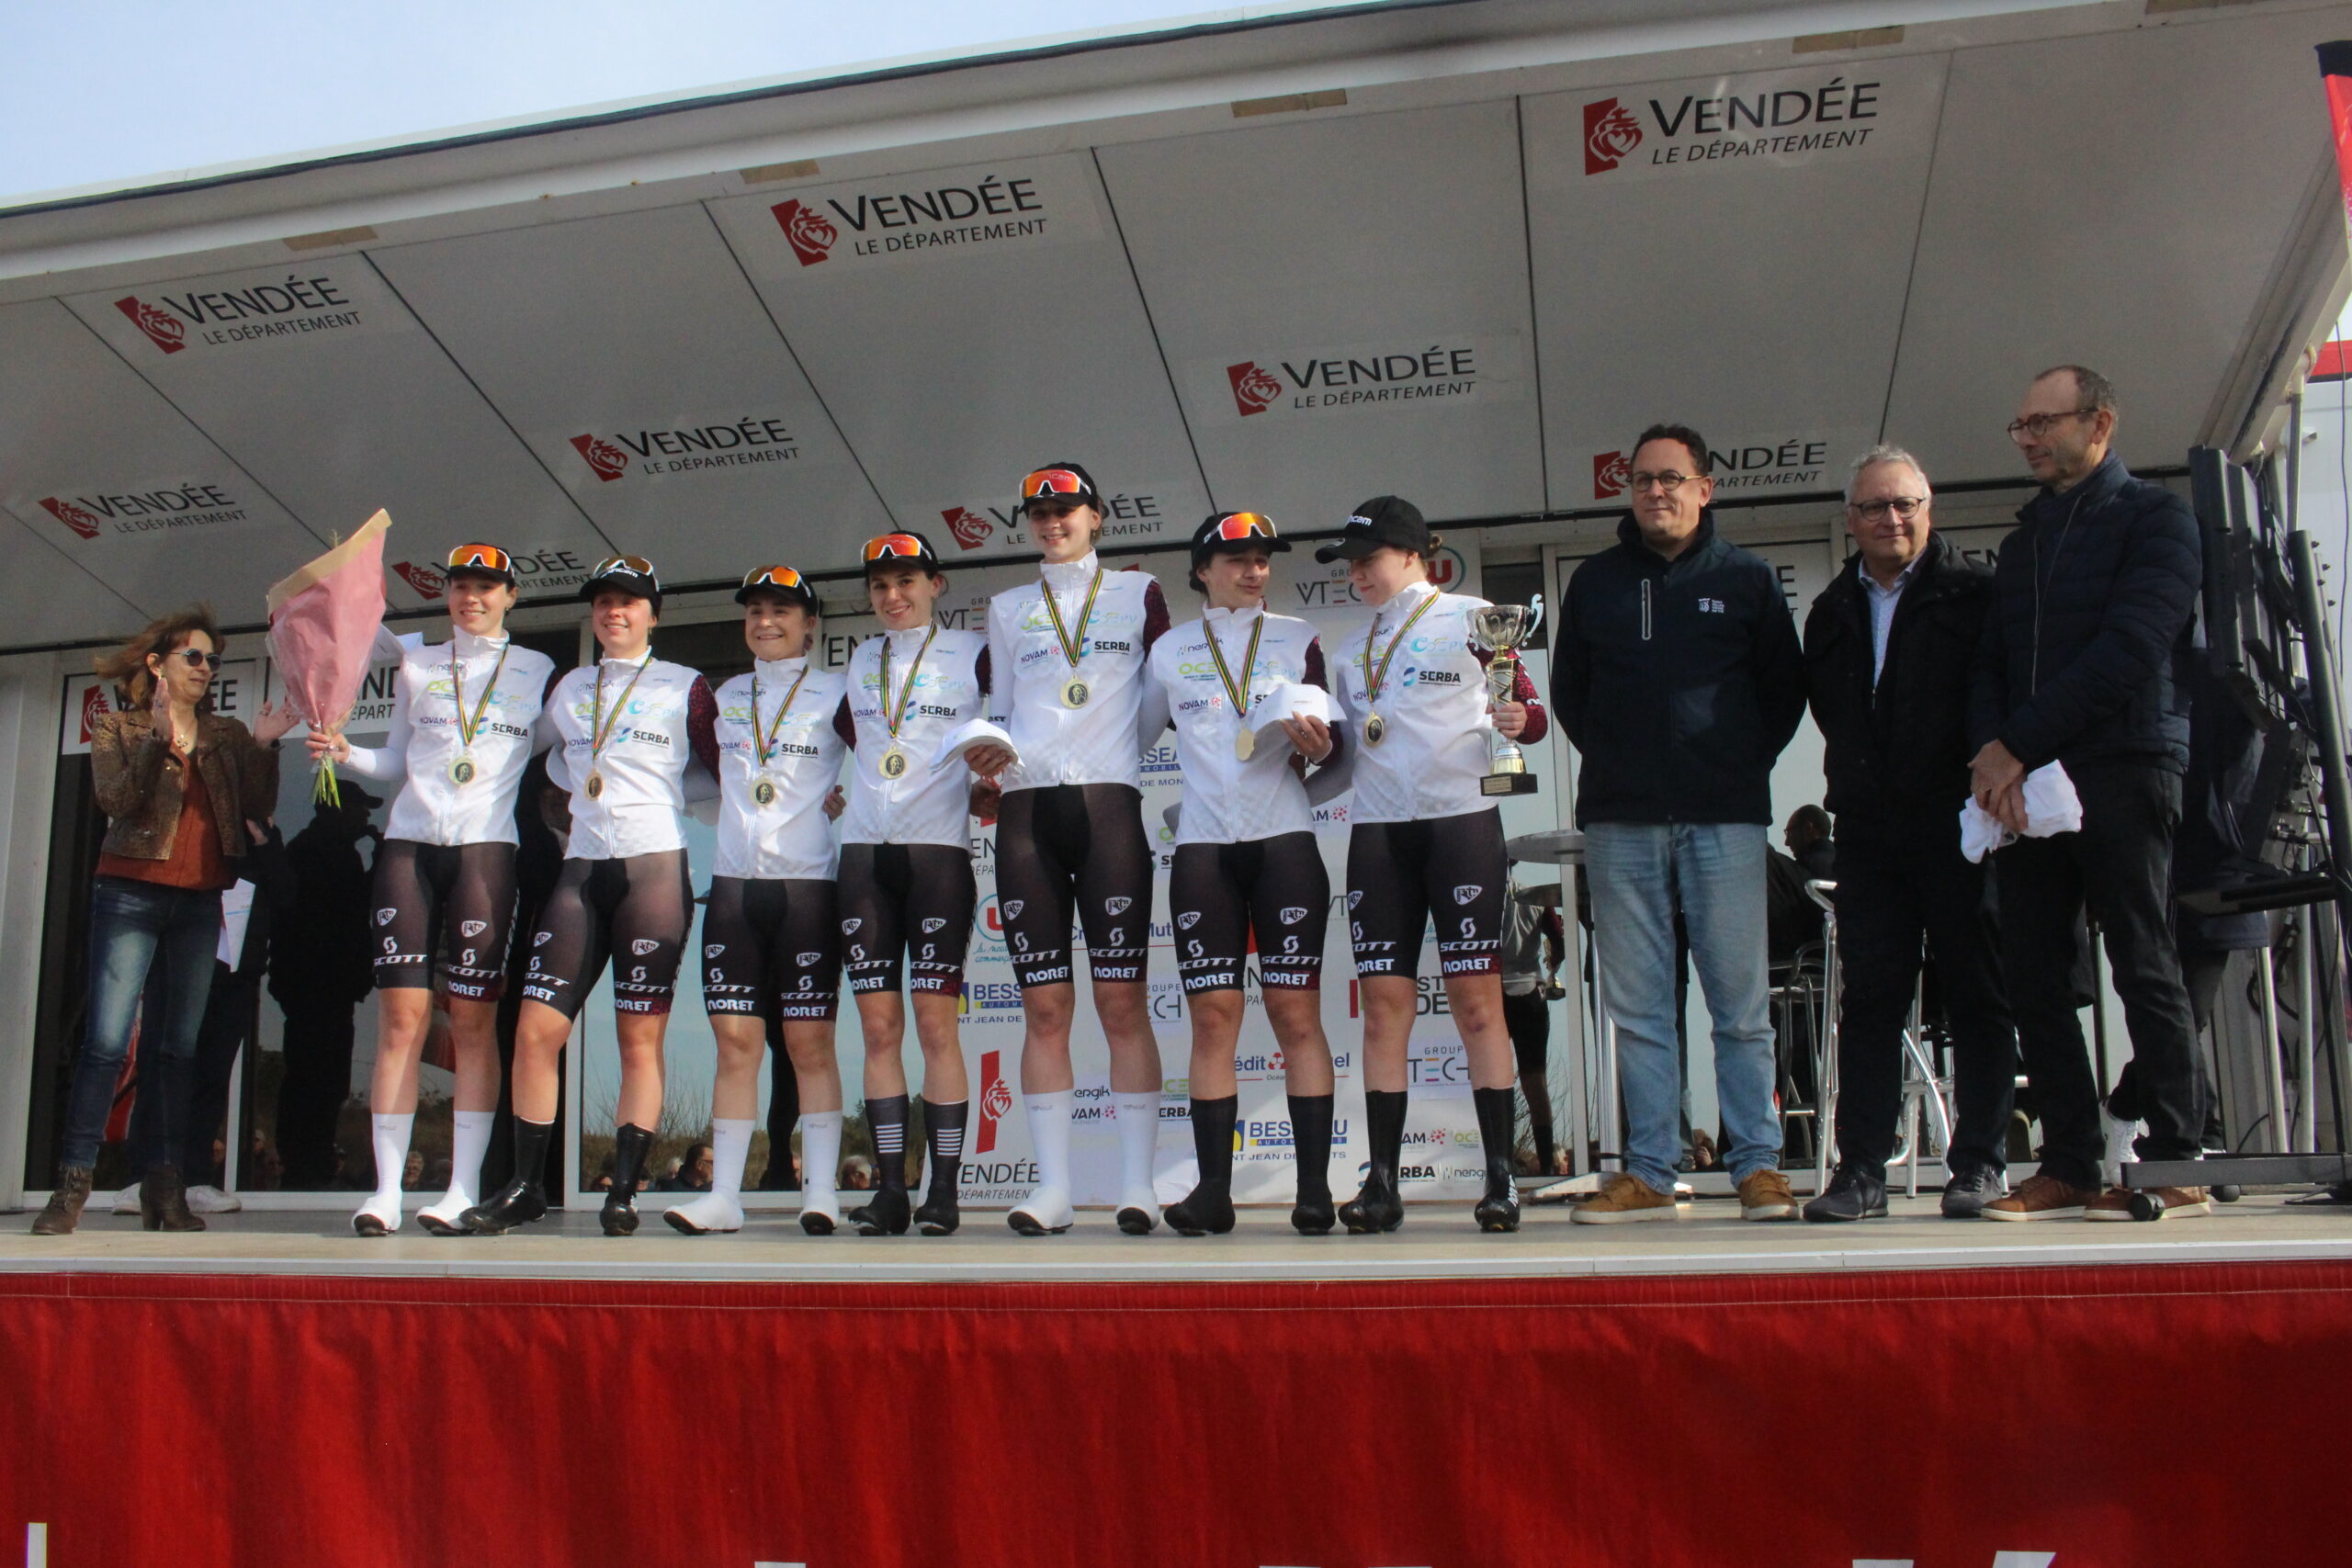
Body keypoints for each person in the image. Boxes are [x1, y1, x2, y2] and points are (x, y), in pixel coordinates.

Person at [1969, 367, 2209, 1221]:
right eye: (2021, 425)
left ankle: (2175, 1155)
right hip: (2031, 785)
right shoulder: (2025, 540)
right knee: (2035, 971)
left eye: (2044, 421)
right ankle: (2067, 1161)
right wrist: (1992, 757)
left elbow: (2130, 648)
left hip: (2125, 762)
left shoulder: (2157, 519)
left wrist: (2017, 743)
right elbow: (1992, 660)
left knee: (2143, 958)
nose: (2029, 438)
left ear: (2100, 422)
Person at [1553, 424, 1807, 1224]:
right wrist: (1626, 762)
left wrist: (1729, 764)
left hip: (1724, 818)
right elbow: (1571, 694)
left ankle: (1757, 1164)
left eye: (1671, 477)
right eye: (1642, 479)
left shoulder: (1747, 579)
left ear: (1705, 487)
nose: (1655, 491)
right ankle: (1652, 1168)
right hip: (1621, 822)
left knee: (1739, 1005)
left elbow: (1783, 693)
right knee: (1640, 1009)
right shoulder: (1596, 581)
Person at [464, 556, 718, 1235]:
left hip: (653, 869)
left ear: (653, 615)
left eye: (628, 602)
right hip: (580, 871)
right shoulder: (571, 687)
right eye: (604, 602)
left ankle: (624, 1190)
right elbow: (517, 746)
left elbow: (727, 766)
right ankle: (525, 1186)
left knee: (639, 1036)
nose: (614, 612)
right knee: (535, 1031)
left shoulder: (687, 685)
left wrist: (679, 798)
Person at [310, 543, 557, 1236]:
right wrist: (346, 753)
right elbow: (394, 759)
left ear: (511, 596)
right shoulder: (417, 664)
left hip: (486, 852)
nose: (471, 598)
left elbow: (564, 743)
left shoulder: (538, 670)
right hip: (408, 848)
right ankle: (386, 1190)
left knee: (474, 1021)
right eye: (460, 587)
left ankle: (461, 1187)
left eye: (487, 587)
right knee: (400, 1020)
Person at [1799, 446, 2018, 1223]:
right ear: (1850, 519)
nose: (1890, 518)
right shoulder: (1830, 610)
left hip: (1961, 824)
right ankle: (1861, 1171)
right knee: (1870, 1001)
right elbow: (1831, 709)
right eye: (1874, 506)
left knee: (1977, 992)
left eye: (1905, 504)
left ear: (1930, 509)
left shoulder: (1975, 593)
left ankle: (1980, 1162)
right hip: (1870, 832)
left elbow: (2002, 698)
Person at [1318, 496, 1547, 1233]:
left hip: (1461, 826)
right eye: (1349, 564)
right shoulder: (1350, 649)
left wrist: (1520, 719)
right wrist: (1293, 775)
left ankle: (1500, 1178)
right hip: (1379, 834)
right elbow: (1343, 757)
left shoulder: (1477, 618)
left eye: (1369, 560)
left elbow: (1533, 716)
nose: (1357, 574)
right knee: (1384, 1007)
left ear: (1415, 555)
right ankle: (1382, 1182)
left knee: (1478, 1003)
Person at [34, 608, 293, 1235]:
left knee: (177, 1049)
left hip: (200, 900)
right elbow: (116, 801)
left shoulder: (225, 733)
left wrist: (264, 745)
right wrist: (156, 739)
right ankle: (71, 1186)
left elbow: (257, 807)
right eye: (193, 657)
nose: (205, 669)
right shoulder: (118, 727)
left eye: (212, 660)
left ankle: (166, 1187)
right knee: (106, 1042)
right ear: (158, 664)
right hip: (130, 891)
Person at [970, 464, 1169, 1235]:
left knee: (1122, 1002)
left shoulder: (1138, 592)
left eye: (1066, 509)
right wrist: (991, 767)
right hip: (1027, 814)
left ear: (1097, 516)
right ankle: (1052, 1188)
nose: (1053, 522)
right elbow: (1001, 711)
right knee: (1044, 1006)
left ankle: (1137, 1185)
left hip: (1109, 807)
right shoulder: (1008, 607)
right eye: (1040, 512)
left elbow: (1155, 701)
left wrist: (1114, 758)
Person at [1138, 512, 1344, 1234]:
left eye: (1263, 559)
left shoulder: (1297, 636)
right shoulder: (1168, 650)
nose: (1255, 570)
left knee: (1295, 1013)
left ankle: (1314, 1190)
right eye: (1238, 560)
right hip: (1203, 849)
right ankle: (1213, 1193)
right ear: (1203, 570)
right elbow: (1128, 738)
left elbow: (1333, 744)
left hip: (1284, 841)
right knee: (1212, 1018)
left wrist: (1317, 750)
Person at [664, 565, 849, 1237]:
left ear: (810, 625)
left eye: (781, 611)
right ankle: (723, 1197)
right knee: (735, 1043)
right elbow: (695, 778)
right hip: (735, 888)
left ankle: (821, 1191)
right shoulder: (723, 696)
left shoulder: (839, 691)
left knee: (809, 1042)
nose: (765, 621)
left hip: (807, 887)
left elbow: (891, 756)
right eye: (755, 611)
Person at [829, 532, 989, 1236]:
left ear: (935, 584)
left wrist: (995, 780)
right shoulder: (861, 660)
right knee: (877, 1027)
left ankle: (943, 1189)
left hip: (937, 854)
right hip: (865, 855)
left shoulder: (974, 651)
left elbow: (1013, 730)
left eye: (906, 582)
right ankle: (891, 1188)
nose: (893, 596)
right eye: (880, 586)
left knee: (934, 1024)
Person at [270, 784, 380, 1190]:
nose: (366, 817)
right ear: (339, 808)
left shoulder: (324, 849)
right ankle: (305, 1164)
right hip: (318, 987)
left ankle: (308, 1160)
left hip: (321, 986)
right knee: (316, 1078)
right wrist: (380, 865)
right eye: (359, 808)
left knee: (319, 1078)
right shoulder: (321, 851)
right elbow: (345, 909)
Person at [1498, 879, 1566, 1177]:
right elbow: (1559, 942)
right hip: (1530, 990)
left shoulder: (1483, 891)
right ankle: (1547, 1163)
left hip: (1494, 992)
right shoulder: (1537, 896)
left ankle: (1500, 1161)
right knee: (1535, 1081)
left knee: (1496, 1079)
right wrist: (1553, 964)